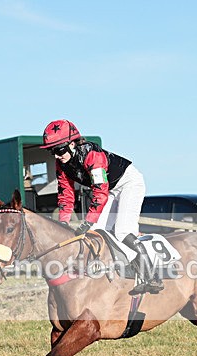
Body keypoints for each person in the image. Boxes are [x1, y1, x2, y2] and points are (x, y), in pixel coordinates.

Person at [41, 119, 164, 295]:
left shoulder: (92, 155)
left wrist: (88, 220)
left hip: (129, 183)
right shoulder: (61, 164)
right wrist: (64, 222)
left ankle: (152, 276)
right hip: (111, 189)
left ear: (73, 143)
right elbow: (66, 194)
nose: (56, 155)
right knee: (96, 231)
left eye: (59, 150)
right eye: (52, 151)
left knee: (122, 230)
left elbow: (100, 192)